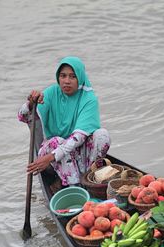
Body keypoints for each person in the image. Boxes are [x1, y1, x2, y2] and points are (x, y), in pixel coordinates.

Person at [18, 56, 111, 191]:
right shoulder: (51, 93)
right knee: (57, 141)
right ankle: (74, 188)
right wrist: (31, 103)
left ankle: (89, 179)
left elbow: (78, 137)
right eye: (63, 76)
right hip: (53, 160)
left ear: (80, 78)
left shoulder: (89, 99)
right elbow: (23, 116)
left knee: (102, 135)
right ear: (58, 77)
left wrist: (51, 156)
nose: (67, 81)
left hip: (75, 155)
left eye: (72, 77)